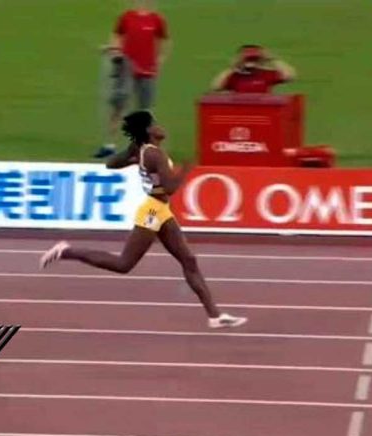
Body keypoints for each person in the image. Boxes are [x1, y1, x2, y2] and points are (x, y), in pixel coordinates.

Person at [43, 111, 247, 329]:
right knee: (123, 264)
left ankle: (214, 315)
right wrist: (185, 169)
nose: (160, 127)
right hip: (152, 212)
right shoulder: (154, 155)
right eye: (155, 123)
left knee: (189, 260)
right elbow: (170, 187)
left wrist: (133, 157)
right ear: (148, 130)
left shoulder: (143, 150)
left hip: (160, 210)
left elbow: (111, 163)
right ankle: (66, 251)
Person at [93, 0, 171, 159]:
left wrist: (160, 59)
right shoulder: (127, 17)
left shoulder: (156, 20)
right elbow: (117, 35)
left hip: (147, 70)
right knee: (118, 106)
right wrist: (114, 49)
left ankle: (146, 146)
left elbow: (164, 40)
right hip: (126, 68)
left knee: (144, 110)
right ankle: (109, 145)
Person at [212, 45, 296, 94]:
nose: (251, 63)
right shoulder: (234, 76)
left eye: (255, 59)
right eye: (247, 59)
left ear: (261, 61)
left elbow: (290, 76)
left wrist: (272, 59)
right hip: (240, 110)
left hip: (263, 109)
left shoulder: (266, 74)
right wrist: (232, 68)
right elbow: (216, 87)